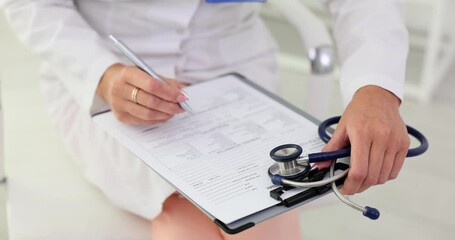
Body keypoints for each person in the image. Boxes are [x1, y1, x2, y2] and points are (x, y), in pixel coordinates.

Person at [1, 0, 410, 239]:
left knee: (264, 211)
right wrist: (103, 75)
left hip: (235, 64)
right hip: (108, 65)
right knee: (197, 216)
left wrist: (376, 86)